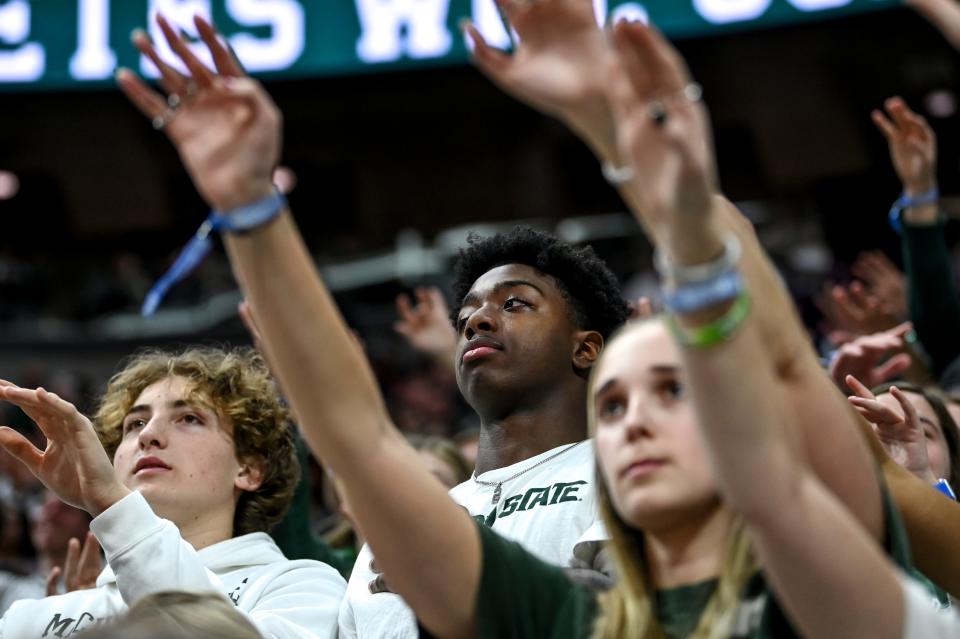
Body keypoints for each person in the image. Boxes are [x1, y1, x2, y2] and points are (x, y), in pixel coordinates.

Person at [0, 347, 345, 638]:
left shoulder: (303, 588)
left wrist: (115, 506)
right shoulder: (28, 619)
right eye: (134, 424)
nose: (149, 434)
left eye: (189, 419)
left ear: (249, 469)